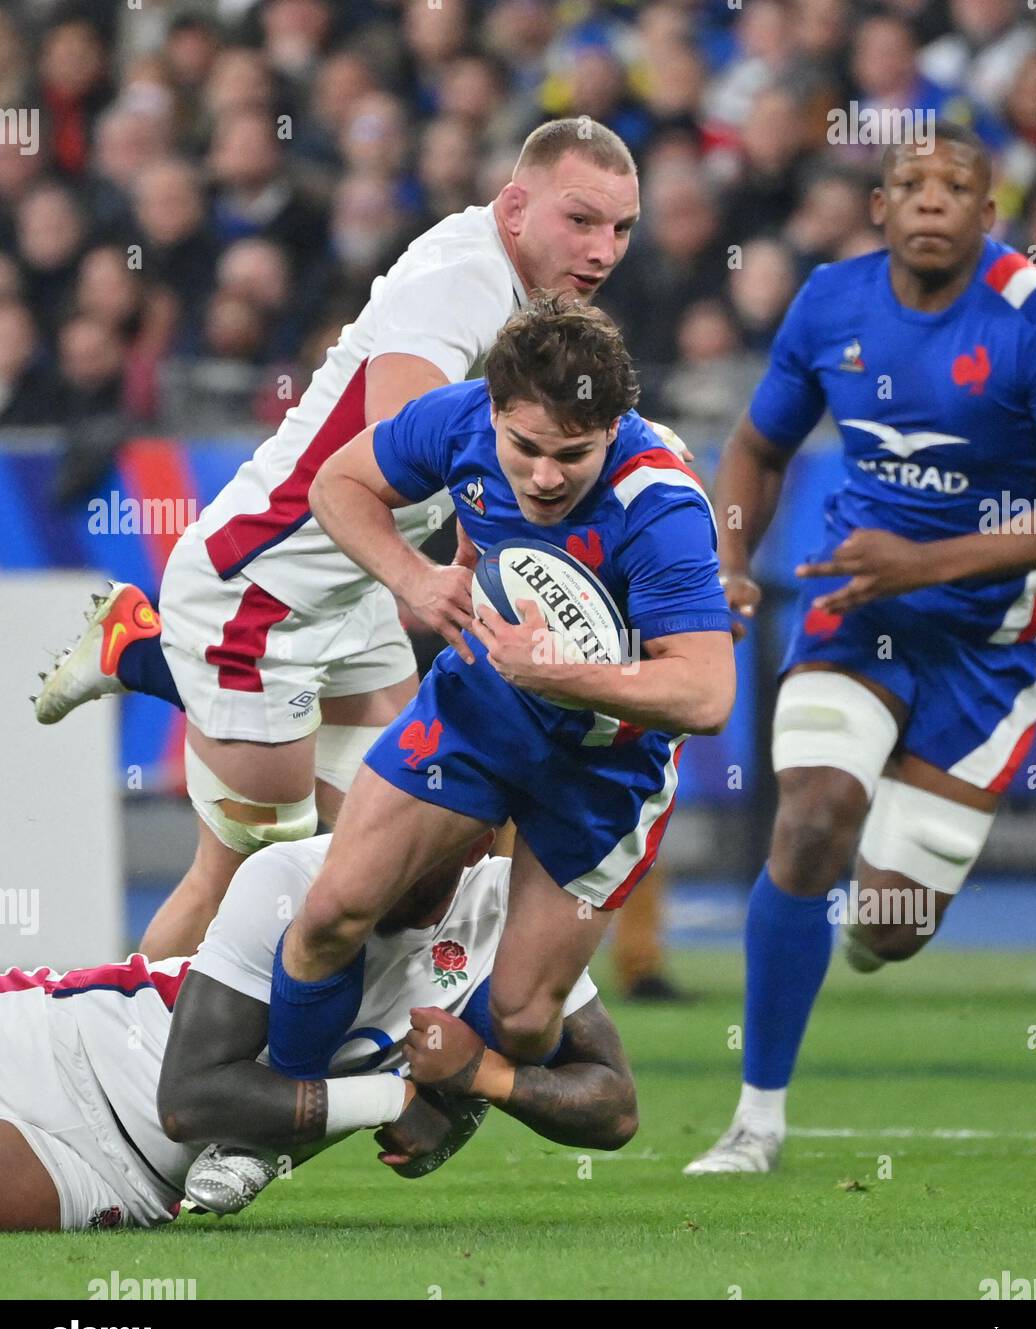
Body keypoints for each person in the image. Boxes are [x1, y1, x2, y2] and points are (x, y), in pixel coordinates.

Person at [34, 119, 643, 962]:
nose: (604, 249)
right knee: (248, 875)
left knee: (421, 846)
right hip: (259, 592)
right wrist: (428, 578)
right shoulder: (463, 281)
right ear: (514, 207)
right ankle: (135, 1054)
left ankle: (144, 652)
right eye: (581, 221)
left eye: (621, 228)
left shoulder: (516, 293)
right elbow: (401, 430)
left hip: (347, 595)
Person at [685, 124, 1036, 1175]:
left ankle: (857, 926)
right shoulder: (829, 304)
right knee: (808, 821)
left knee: (888, 926)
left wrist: (930, 565)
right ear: (877, 209)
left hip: (984, 652)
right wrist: (729, 562)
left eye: (956, 187)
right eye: (907, 184)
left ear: (989, 216)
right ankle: (754, 1118)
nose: (930, 200)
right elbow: (756, 444)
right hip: (858, 611)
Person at [265, 294, 735, 1088]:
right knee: (333, 913)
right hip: (480, 710)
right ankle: (273, 1123)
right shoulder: (456, 421)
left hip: (605, 765)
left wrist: (554, 672)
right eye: (525, 447)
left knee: (521, 1016)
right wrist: (412, 577)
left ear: (614, 429)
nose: (546, 476)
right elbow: (337, 484)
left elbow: (707, 694)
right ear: (494, 409)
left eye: (574, 453)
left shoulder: (660, 508)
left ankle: (488, 1089)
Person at [0, 833, 637, 1232]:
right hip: (52, 1048)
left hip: (129, 1188)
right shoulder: (294, 876)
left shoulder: (508, 912)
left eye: (430, 833)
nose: (401, 850)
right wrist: (390, 1099)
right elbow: (188, 1103)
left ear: (477, 844)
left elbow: (614, 1109)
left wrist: (488, 1078)